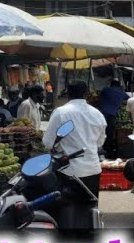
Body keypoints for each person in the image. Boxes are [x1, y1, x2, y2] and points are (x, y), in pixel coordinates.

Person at [42, 82, 107, 219]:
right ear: (86, 94)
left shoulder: (61, 113)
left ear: (68, 94)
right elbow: (100, 143)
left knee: (69, 209)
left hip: (69, 171)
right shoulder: (98, 114)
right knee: (90, 209)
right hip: (92, 168)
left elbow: (47, 142)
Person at [97, 79, 129, 157]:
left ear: (111, 84)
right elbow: (128, 99)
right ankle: (108, 151)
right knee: (109, 133)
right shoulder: (122, 92)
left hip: (101, 114)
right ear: (119, 86)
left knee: (99, 132)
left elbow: (98, 98)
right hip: (112, 115)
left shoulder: (105, 89)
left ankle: (100, 150)